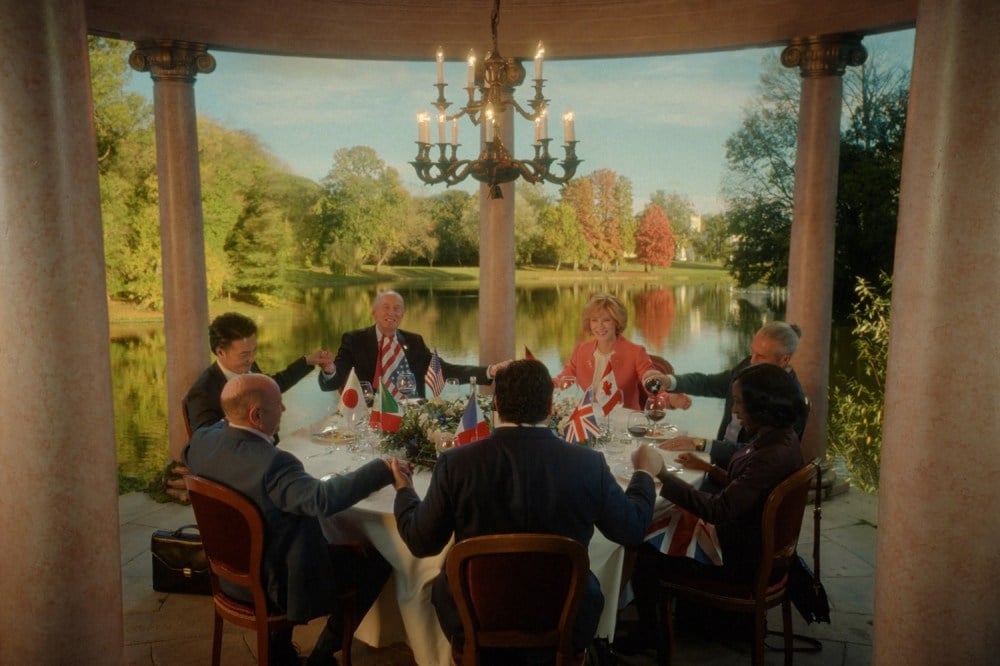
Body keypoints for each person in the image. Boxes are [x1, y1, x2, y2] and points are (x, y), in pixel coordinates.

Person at [389, 359, 665, 658]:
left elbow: (421, 541)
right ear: (549, 406)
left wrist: (404, 490)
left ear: (495, 405)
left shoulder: (456, 464)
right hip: (566, 620)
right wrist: (644, 474)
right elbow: (632, 528)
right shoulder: (588, 465)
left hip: (476, 620)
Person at [184, 373, 408, 666]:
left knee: (294, 530)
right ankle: (321, 655)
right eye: (279, 404)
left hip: (229, 573)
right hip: (277, 584)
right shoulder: (274, 464)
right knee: (376, 560)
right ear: (256, 414)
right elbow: (321, 500)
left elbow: (193, 452)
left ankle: (280, 652)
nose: (285, 410)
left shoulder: (200, 442)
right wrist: (381, 469)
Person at [624, 363, 806, 652]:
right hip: (754, 542)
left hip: (738, 560)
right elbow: (749, 487)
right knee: (669, 517)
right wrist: (708, 469)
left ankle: (650, 633)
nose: (734, 411)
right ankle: (676, 618)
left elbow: (717, 510)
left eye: (738, 403)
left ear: (761, 405)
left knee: (642, 542)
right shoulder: (781, 438)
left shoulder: (770, 454)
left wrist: (660, 473)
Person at [658, 321, 806, 485]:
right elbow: (710, 383)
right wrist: (669, 381)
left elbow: (753, 453)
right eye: (752, 352)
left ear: (784, 359)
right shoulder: (749, 368)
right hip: (716, 464)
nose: (752, 361)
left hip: (742, 480)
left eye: (761, 356)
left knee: (664, 487)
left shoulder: (790, 403)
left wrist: (699, 444)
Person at [318, 290, 508, 398]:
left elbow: (445, 370)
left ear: (402, 315)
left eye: (397, 309)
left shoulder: (414, 342)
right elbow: (333, 380)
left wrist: (489, 371)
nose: (391, 313)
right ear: (373, 312)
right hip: (370, 418)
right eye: (386, 308)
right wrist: (329, 369)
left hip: (413, 418)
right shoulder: (354, 340)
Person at [184, 311, 334, 433]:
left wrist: (307, 361)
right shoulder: (203, 392)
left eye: (254, 351)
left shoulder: (248, 366)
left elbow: (272, 385)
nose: (251, 359)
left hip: (269, 451)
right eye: (244, 354)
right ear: (220, 352)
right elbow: (204, 442)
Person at [552, 293, 690, 411]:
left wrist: (671, 400)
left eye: (606, 320)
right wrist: (540, 385)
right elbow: (563, 380)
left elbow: (652, 386)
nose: (599, 326)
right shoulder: (581, 350)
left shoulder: (635, 352)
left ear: (617, 322)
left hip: (625, 425)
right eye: (594, 320)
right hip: (590, 421)